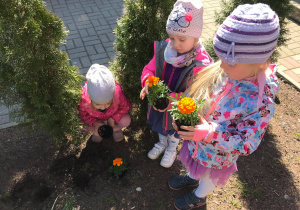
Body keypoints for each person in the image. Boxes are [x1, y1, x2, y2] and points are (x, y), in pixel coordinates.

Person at [168, 3, 280, 209]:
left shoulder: (260, 102)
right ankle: (193, 177)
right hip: (199, 142)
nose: (221, 65)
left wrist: (209, 133)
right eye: (221, 58)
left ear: (255, 61)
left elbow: (247, 143)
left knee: (209, 176)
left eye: (229, 61)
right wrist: (187, 115)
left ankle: (199, 196)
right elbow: (206, 96)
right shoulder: (228, 71)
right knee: (196, 165)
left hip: (218, 155)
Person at [140, 0, 212, 168]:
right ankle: (161, 143)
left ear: (196, 37)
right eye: (172, 38)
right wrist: (147, 83)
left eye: (181, 39)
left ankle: (172, 148)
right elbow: (149, 69)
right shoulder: (165, 50)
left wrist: (169, 99)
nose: (175, 44)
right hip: (160, 104)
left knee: (175, 131)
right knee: (159, 126)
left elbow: (195, 93)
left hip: (179, 108)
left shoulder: (201, 63)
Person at [78, 64, 132, 143]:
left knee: (126, 120)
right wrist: (95, 123)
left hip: (113, 118)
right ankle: (99, 132)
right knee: (82, 125)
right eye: (97, 104)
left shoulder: (118, 95)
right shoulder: (84, 101)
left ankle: (115, 130)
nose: (103, 107)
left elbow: (125, 107)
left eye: (108, 103)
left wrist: (113, 118)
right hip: (97, 120)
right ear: (90, 99)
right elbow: (83, 115)